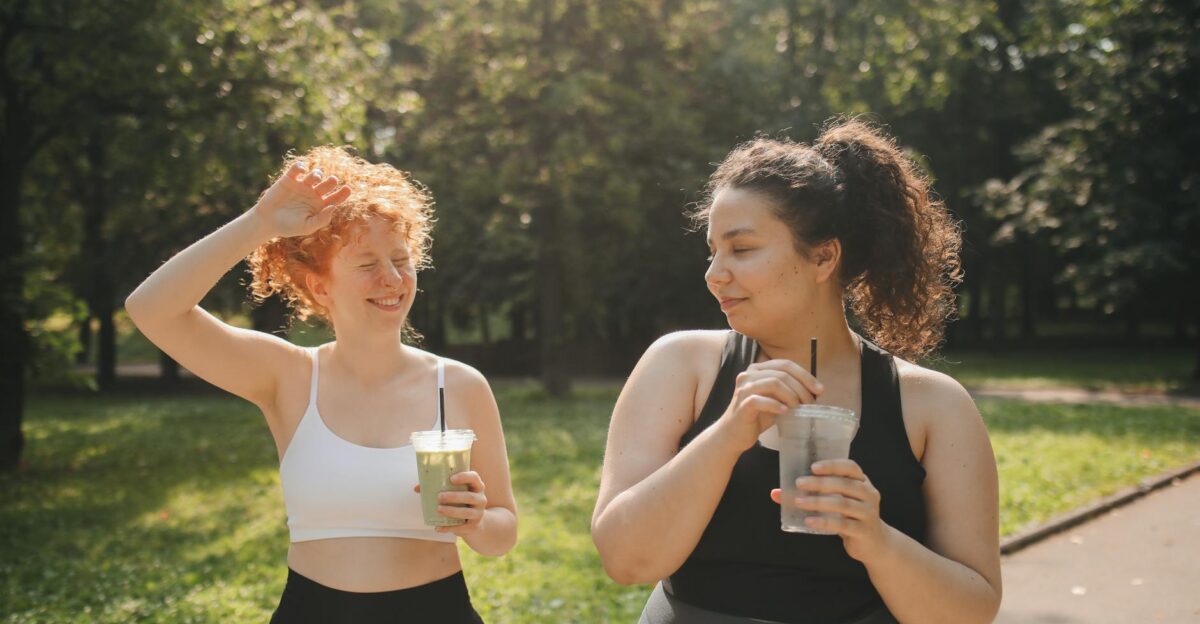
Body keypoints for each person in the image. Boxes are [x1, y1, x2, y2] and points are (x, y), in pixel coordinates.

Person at [592, 118, 1001, 624]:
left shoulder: (932, 405)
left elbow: (972, 611)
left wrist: (875, 539)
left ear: (824, 256)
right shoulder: (681, 366)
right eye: (712, 251)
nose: (714, 273)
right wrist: (726, 435)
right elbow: (625, 560)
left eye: (741, 249)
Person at [125, 146, 517, 623]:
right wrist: (260, 221)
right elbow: (151, 309)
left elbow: (504, 530)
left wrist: (475, 521)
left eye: (400, 258)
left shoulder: (458, 385)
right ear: (320, 287)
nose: (391, 278)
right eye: (366, 263)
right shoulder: (287, 376)